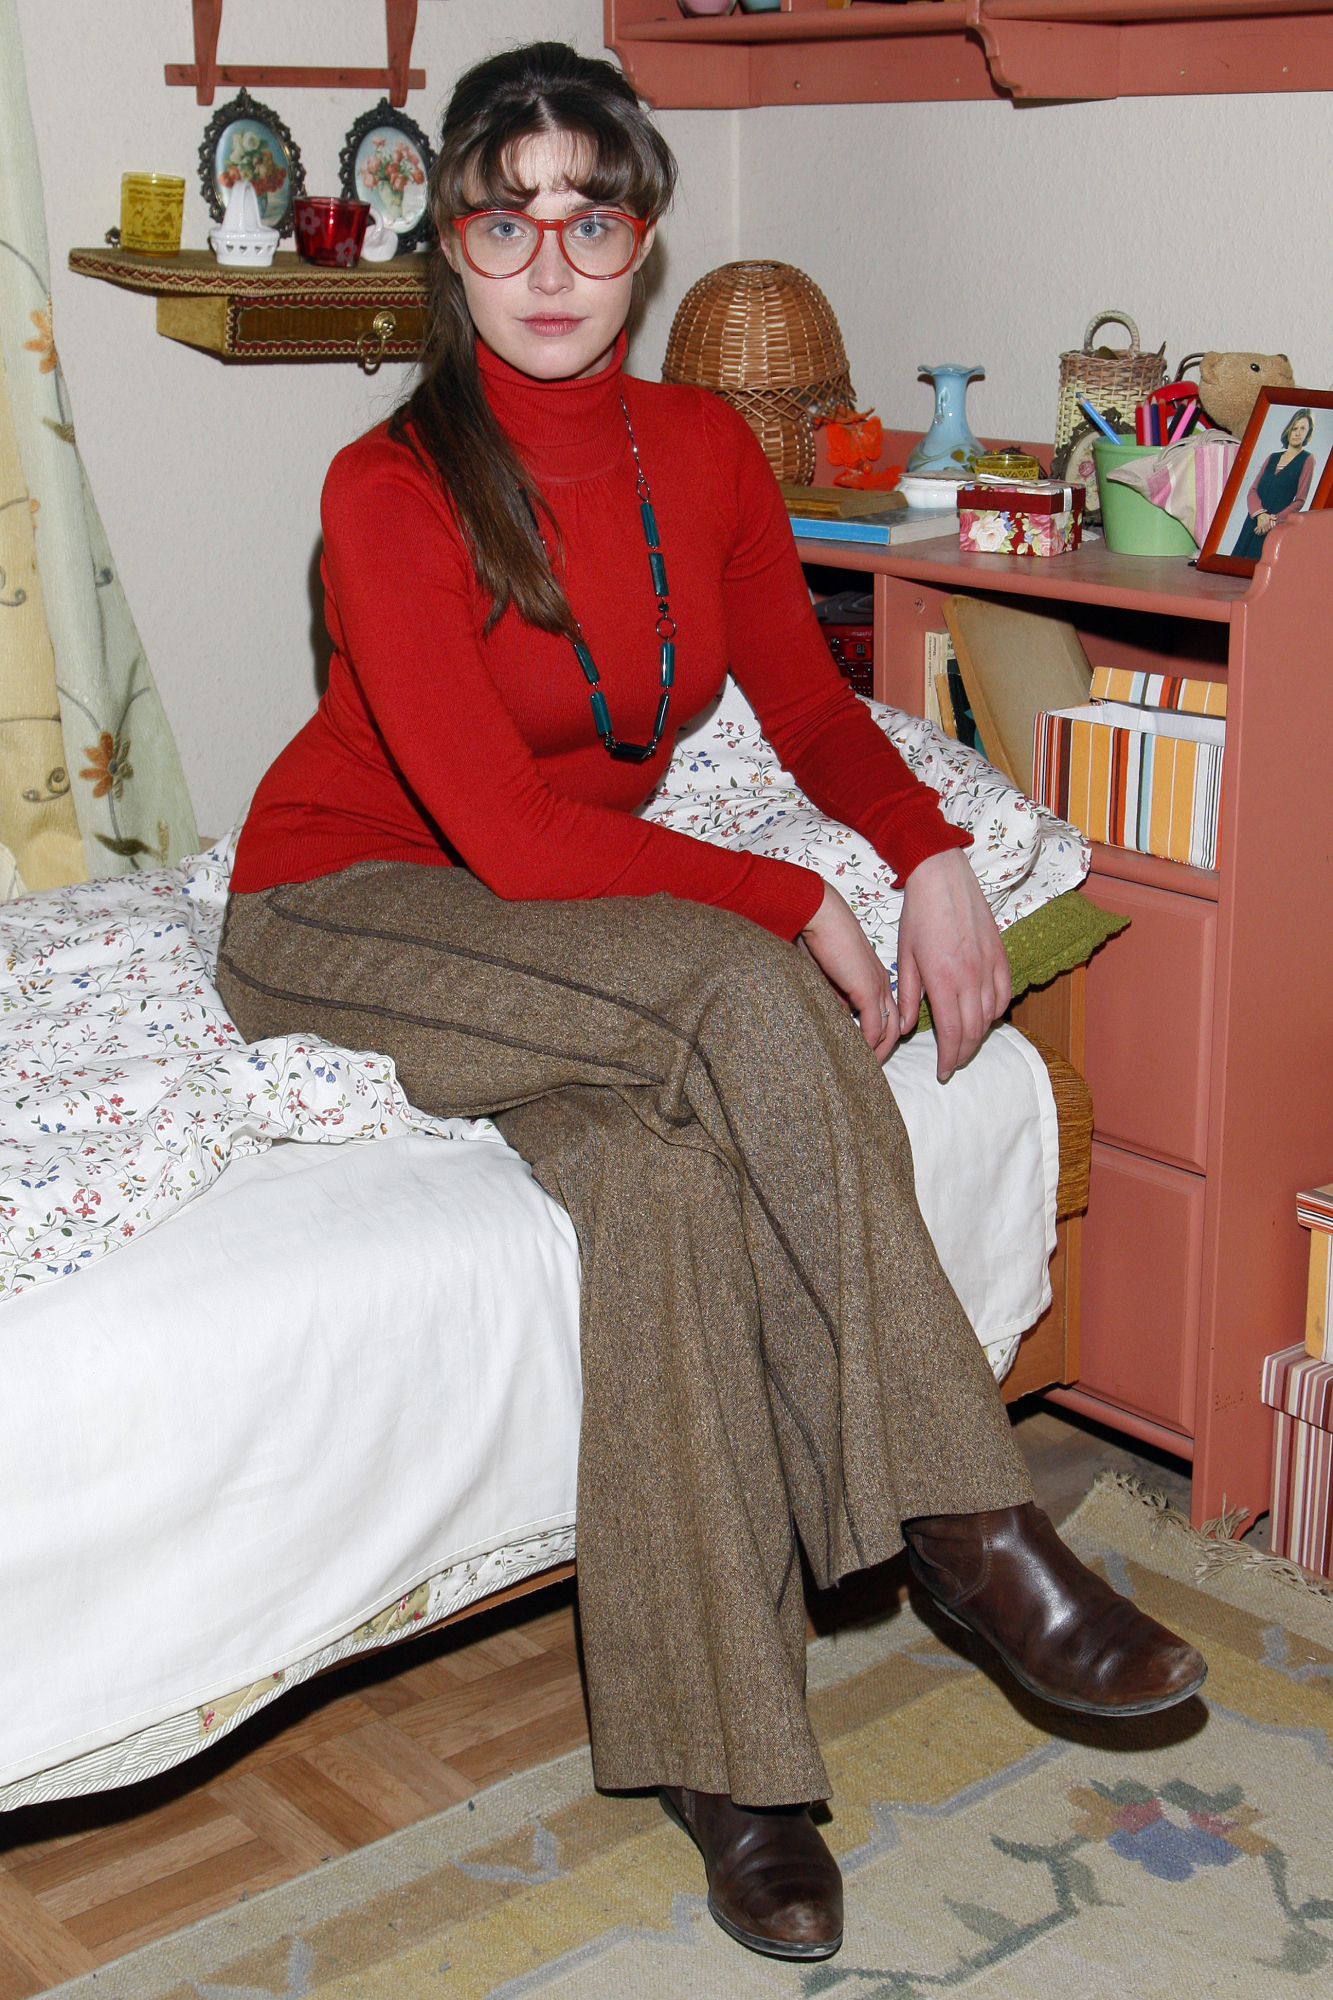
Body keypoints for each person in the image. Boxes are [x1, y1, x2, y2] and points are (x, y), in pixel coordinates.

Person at [215, 42, 1206, 1965]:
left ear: (646, 235)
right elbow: (511, 839)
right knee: (743, 994)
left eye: (591, 216)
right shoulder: (387, 487)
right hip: (347, 906)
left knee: (663, 1184)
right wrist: (783, 896)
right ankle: (969, 1525)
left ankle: (728, 1763)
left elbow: (810, 708)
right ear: (451, 244)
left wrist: (923, 855)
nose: (550, 261)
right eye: (505, 219)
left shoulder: (699, 456)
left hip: (547, 930)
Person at [1230, 407, 1315, 559]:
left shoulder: (1307, 460)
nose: (1297, 433)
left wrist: (1272, 521)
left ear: (1308, 432)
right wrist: (1261, 515)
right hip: (1253, 523)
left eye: (1303, 429)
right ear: (1289, 430)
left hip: (1274, 527)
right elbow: (1253, 490)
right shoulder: (1272, 457)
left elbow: (1300, 500)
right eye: (1295, 428)